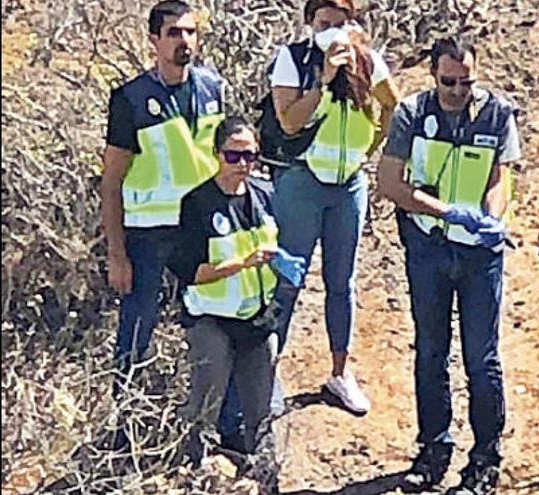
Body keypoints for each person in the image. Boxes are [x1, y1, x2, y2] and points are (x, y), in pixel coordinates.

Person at [377, 37, 522, 495]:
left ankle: (485, 459)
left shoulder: (497, 114)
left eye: (466, 81)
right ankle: (433, 448)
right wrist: (446, 212)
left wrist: (491, 218)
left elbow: (501, 175)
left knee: (482, 359)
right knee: (431, 351)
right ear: (432, 75)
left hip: (480, 255)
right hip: (430, 247)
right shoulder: (412, 115)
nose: (458, 90)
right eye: (449, 82)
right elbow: (389, 183)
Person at [257, 0, 399, 414]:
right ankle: (266, 373)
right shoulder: (293, 60)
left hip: (347, 184)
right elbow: (288, 121)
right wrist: (324, 79)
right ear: (309, 24)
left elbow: (392, 104)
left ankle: (340, 372)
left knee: (342, 281)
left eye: (341, 22)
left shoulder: (369, 62)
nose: (333, 31)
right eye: (324, 23)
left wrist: (369, 149)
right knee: (288, 277)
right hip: (302, 180)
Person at [99, 0, 230, 447]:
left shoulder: (213, 87)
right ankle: (125, 430)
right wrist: (116, 254)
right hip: (149, 237)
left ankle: (205, 430)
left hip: (200, 233)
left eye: (191, 32)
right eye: (174, 33)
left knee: (212, 325)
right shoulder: (131, 99)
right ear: (153, 39)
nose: (184, 41)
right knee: (137, 330)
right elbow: (112, 181)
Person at [168, 117, 306, 482]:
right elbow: (188, 271)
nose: (243, 165)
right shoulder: (197, 203)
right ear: (217, 154)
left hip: (258, 322)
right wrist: (239, 264)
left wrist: (283, 267)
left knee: (260, 415)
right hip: (212, 322)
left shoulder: (264, 196)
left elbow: (273, 247)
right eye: (234, 156)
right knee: (204, 410)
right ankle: (192, 477)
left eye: (251, 157)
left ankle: (266, 481)